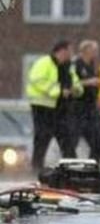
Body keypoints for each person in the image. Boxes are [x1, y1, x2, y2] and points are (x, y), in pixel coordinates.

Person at [26, 40, 83, 172]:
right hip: (43, 108)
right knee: (42, 139)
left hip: (61, 109)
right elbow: (37, 80)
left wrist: (76, 90)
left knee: (67, 140)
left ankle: (72, 170)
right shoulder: (44, 62)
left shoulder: (68, 67)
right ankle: (36, 169)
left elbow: (77, 83)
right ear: (62, 51)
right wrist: (59, 91)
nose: (71, 54)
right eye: (70, 51)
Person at [71, 40, 100, 162]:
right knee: (72, 144)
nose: (96, 53)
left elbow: (96, 93)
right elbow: (71, 84)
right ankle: (69, 170)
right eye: (94, 50)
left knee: (97, 143)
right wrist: (89, 82)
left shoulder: (92, 66)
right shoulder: (76, 64)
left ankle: (92, 168)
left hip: (91, 110)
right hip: (77, 110)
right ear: (85, 51)